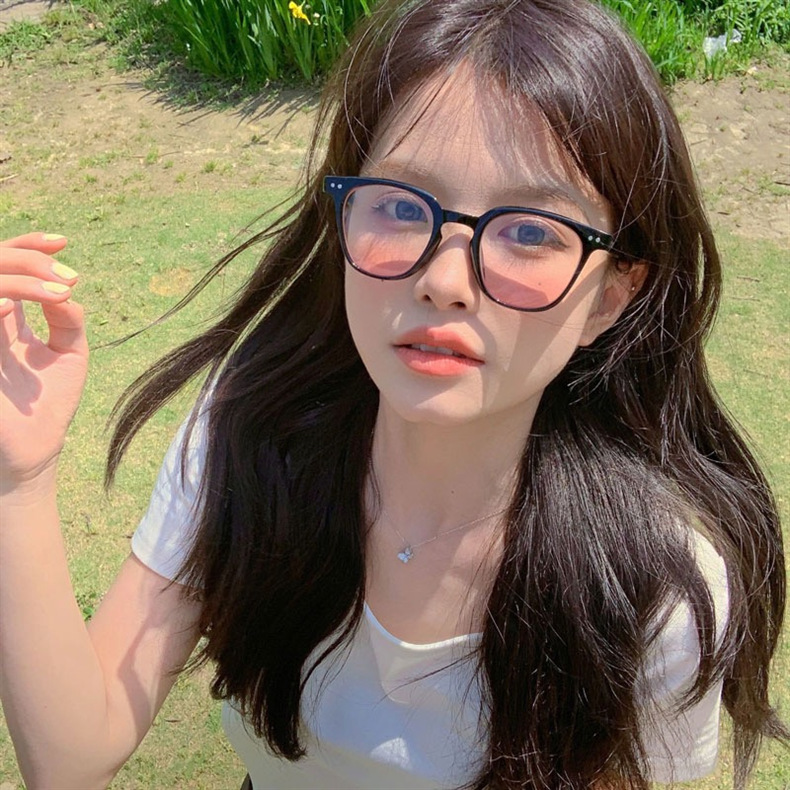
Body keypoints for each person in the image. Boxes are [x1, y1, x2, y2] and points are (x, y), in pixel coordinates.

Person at [0, 0, 786, 787]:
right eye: (403, 207)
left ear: (611, 296)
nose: (444, 279)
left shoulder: (653, 589)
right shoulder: (249, 432)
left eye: (530, 232)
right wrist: (19, 478)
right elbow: (72, 757)